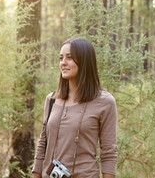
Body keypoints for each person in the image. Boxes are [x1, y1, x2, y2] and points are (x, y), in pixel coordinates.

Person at [32, 38, 118, 178]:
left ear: (85, 61)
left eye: (69, 58)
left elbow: (109, 152)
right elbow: (43, 144)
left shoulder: (105, 102)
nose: (63, 63)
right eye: (61, 58)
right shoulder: (52, 100)